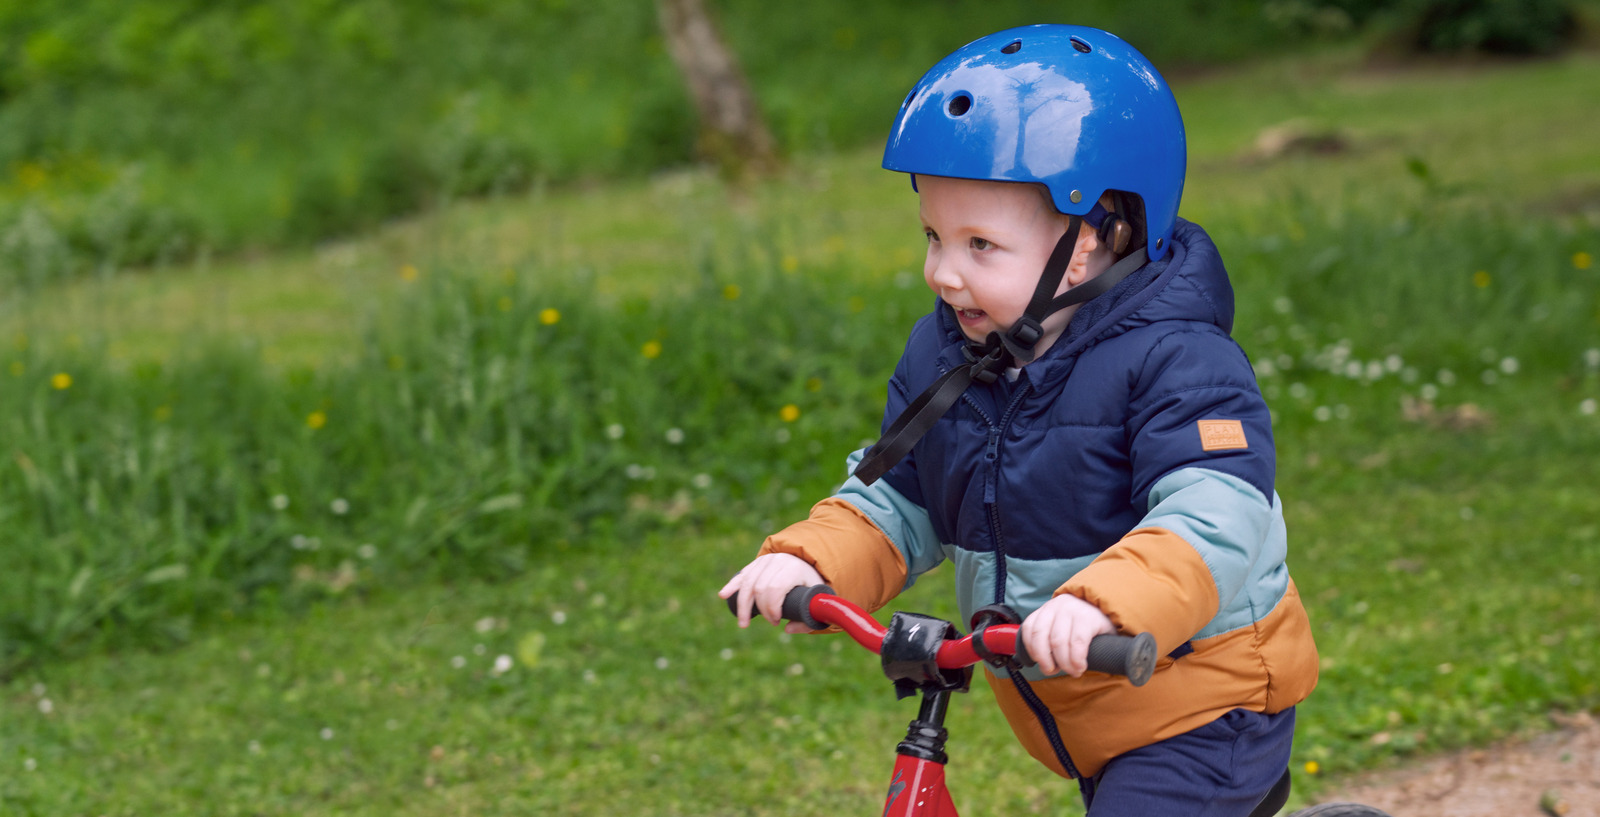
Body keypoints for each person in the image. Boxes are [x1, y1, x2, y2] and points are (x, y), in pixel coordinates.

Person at [719, 24, 1319, 816]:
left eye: (980, 244)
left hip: (1203, 699)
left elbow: (1220, 512)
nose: (943, 271)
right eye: (933, 236)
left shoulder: (1180, 361)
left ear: (1097, 239)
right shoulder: (952, 357)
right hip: (1086, 701)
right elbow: (907, 495)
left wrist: (1104, 602)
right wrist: (813, 561)